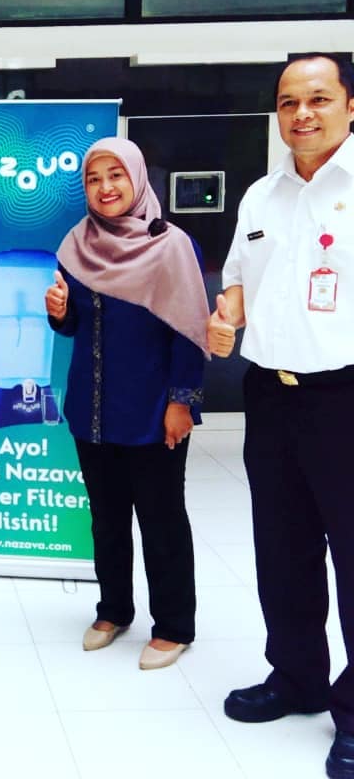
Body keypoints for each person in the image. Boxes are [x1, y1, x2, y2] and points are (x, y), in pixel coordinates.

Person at [208, 53, 354, 779]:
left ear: (350, 107)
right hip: (271, 394)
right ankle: (297, 677)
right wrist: (226, 314)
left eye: (318, 99)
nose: (302, 113)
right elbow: (239, 280)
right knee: (283, 548)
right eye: (289, 101)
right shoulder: (261, 196)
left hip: (346, 397)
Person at [45, 136, 209, 671]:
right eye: (94, 178)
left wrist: (182, 402)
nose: (105, 187)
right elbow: (75, 325)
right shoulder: (76, 244)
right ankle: (113, 609)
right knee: (106, 518)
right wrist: (59, 313)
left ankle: (174, 625)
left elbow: (190, 331)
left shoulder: (173, 246)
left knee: (161, 519)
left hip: (152, 408)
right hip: (92, 407)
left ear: (136, 178)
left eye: (115, 175)